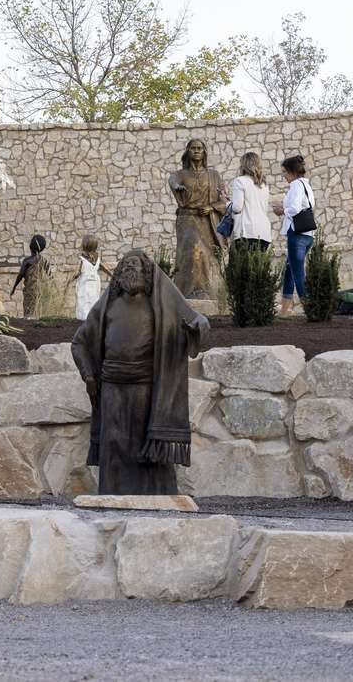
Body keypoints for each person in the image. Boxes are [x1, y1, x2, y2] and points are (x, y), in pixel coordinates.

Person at [71, 251, 209, 495]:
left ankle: (156, 496)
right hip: (112, 388)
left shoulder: (162, 303)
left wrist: (200, 326)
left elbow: (193, 320)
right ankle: (112, 495)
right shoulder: (108, 305)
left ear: (147, 272)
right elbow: (79, 342)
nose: (128, 269)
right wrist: (88, 375)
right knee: (114, 444)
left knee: (147, 446)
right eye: (124, 266)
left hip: (146, 388)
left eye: (134, 265)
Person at [167, 138, 227, 299]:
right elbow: (172, 180)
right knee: (192, 253)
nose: (196, 151)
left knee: (208, 256)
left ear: (204, 152)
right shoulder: (181, 174)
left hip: (207, 221)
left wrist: (212, 207)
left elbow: (224, 201)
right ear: (187, 151)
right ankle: (188, 291)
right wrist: (177, 187)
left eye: (199, 148)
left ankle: (209, 291)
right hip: (188, 220)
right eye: (193, 148)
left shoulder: (213, 175)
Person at [273, 154, 317, 316]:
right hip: (307, 235)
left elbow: (295, 208)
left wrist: (282, 210)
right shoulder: (306, 185)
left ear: (292, 172)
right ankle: (285, 309)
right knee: (290, 269)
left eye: (285, 172)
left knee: (298, 272)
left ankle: (310, 308)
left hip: (297, 235)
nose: (284, 176)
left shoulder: (296, 186)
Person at [228, 151, 273, 252]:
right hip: (264, 232)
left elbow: (237, 208)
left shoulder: (240, 181)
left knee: (240, 262)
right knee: (258, 262)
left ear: (243, 165)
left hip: (246, 232)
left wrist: (226, 203)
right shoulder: (264, 185)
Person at [71, 234, 113, 320]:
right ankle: (92, 319)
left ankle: (84, 320)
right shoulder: (96, 258)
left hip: (85, 283)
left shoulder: (82, 259)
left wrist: (71, 279)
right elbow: (104, 268)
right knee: (93, 300)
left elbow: (77, 272)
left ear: (84, 245)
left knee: (84, 301)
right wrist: (112, 275)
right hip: (94, 283)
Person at [11, 234, 50, 318]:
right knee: (37, 312)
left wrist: (14, 288)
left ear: (31, 246)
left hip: (29, 291)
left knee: (28, 312)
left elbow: (20, 275)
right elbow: (50, 275)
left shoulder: (27, 261)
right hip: (39, 291)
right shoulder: (43, 260)